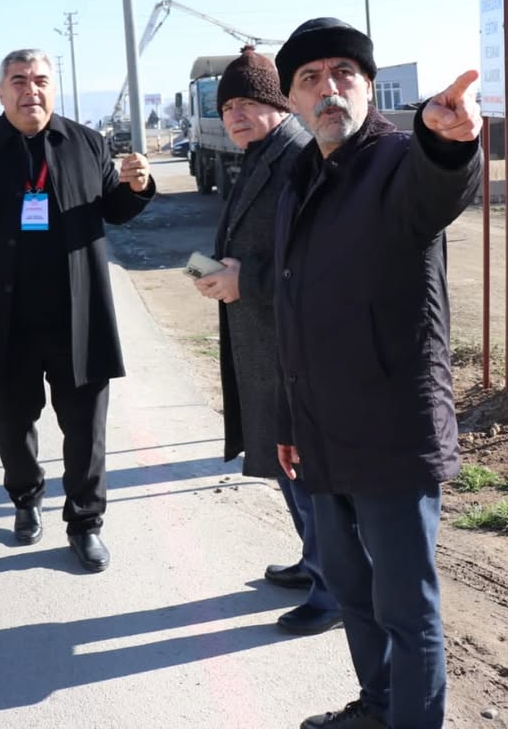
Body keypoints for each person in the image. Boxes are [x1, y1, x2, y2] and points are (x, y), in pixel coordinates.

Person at [271, 18, 482, 729]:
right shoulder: (299, 176)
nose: (329, 89)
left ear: (368, 86)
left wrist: (449, 143)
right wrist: (289, 424)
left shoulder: (394, 159)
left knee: (404, 607)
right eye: (310, 79)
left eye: (344, 74)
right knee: (353, 593)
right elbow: (291, 308)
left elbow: (436, 186)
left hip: (391, 431)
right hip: (324, 433)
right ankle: (378, 707)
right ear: (293, 101)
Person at [0, 48, 155, 573]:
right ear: (1, 92)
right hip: (4, 318)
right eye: (19, 80)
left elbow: (114, 209)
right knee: (11, 421)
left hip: (77, 313)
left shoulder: (87, 143)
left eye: (41, 80)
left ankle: (86, 523)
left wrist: (139, 188)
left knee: (86, 426)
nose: (31, 89)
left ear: (55, 88)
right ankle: (26, 498)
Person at [192, 47, 341, 636]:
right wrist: (212, 270)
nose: (236, 114)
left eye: (250, 101)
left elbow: (316, 257)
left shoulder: (300, 157)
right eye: (228, 104)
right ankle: (315, 563)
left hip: (290, 343)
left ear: (278, 104)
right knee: (288, 469)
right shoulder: (258, 156)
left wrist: (242, 279)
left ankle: (333, 593)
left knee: (306, 469)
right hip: (261, 337)